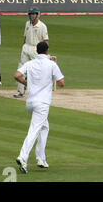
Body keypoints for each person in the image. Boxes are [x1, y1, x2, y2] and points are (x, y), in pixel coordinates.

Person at [15, 41, 65, 173]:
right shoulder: (52, 64)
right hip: (42, 104)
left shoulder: (30, 63)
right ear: (47, 51)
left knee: (44, 127)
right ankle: (22, 157)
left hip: (30, 103)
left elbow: (17, 75)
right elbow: (61, 83)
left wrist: (26, 83)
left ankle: (41, 159)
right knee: (34, 130)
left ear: (37, 51)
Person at [14, 7, 49, 98]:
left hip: (36, 50)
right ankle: (20, 91)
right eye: (30, 14)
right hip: (26, 48)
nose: (32, 15)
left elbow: (46, 41)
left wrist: (45, 53)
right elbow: (25, 37)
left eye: (33, 14)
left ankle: (40, 90)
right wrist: (24, 46)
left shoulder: (42, 26)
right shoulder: (27, 24)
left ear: (37, 14)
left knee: (37, 71)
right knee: (21, 68)